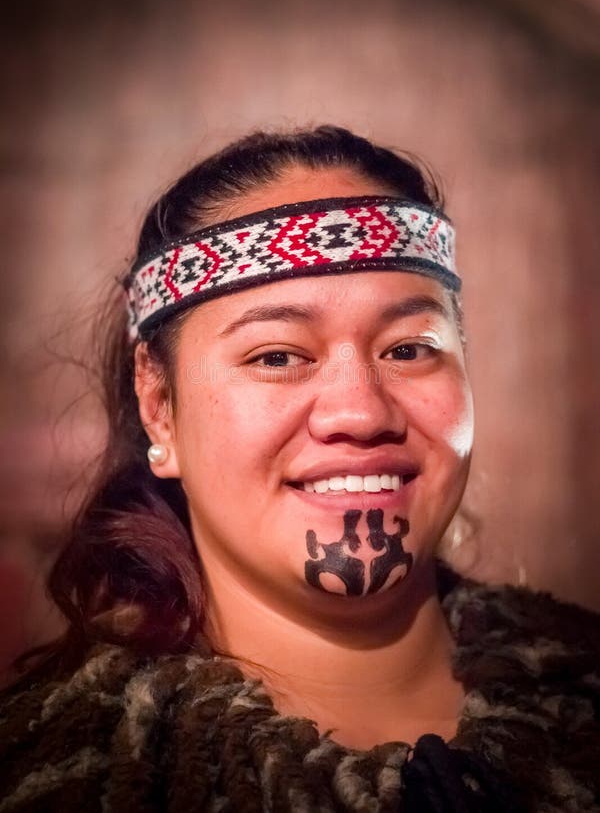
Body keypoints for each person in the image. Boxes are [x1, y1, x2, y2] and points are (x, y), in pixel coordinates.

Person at [1, 126, 598, 812]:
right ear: (161, 409)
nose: (361, 412)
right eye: (278, 356)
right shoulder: (69, 779)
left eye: (409, 348)